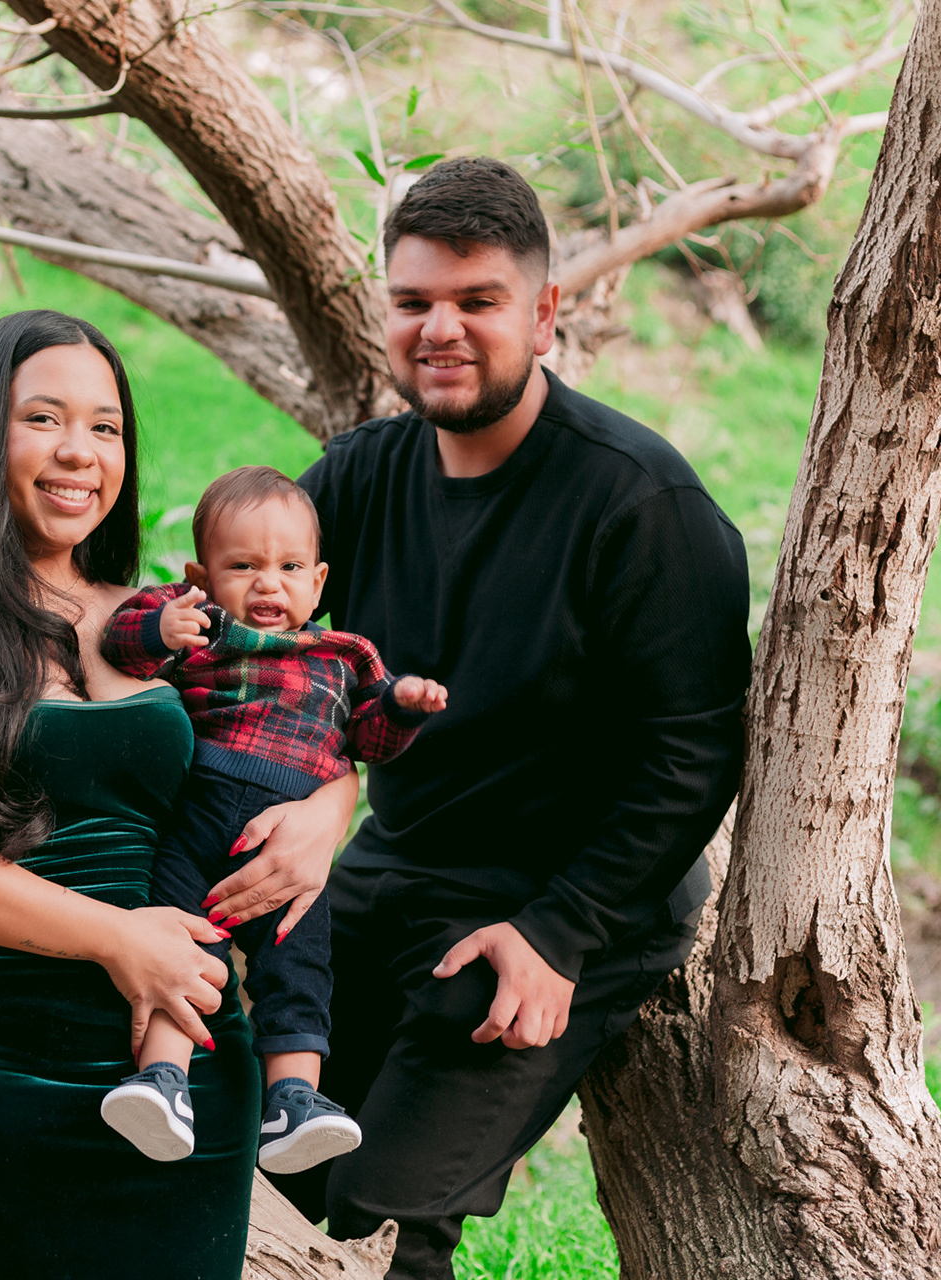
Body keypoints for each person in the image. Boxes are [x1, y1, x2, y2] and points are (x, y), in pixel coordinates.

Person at [270, 158, 753, 1278]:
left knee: (380, 1224)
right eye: (413, 301)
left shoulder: (644, 505)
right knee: (249, 1161)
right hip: (394, 865)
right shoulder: (359, 477)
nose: (439, 329)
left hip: (565, 894)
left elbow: (695, 753)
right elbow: (258, 637)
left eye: (477, 300)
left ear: (543, 315)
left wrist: (561, 932)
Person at [0, 310, 354, 1278]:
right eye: (44, 418)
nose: (81, 452)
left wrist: (331, 810)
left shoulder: (164, 621)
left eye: (106, 427)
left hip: (179, 1054)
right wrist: (118, 939)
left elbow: (296, 719)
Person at [95, 465, 448, 1174]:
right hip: (194, 813)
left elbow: (369, 741)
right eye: (243, 566)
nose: (268, 585)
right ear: (201, 575)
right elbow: (119, 639)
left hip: (286, 835)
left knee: (300, 964)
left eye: (289, 568)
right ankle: (161, 1081)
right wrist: (161, 627)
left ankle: (294, 1100)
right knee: (178, 946)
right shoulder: (198, 623)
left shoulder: (346, 656)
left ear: (318, 582)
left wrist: (403, 707)